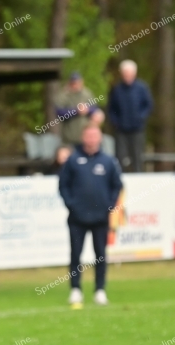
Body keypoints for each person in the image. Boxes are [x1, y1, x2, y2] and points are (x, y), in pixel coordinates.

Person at [58, 124, 122, 307]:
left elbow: (116, 185)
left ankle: (100, 290)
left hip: (100, 218)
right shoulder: (73, 160)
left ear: (100, 138)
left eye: (95, 135)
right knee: (75, 254)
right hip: (77, 218)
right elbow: (63, 185)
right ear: (83, 137)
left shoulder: (108, 161)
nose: (92, 139)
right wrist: (71, 204)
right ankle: (75, 289)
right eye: (89, 135)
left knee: (100, 254)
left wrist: (108, 205)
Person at [108, 60, 153, 173]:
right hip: (121, 129)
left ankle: (138, 177)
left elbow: (148, 105)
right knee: (120, 156)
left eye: (129, 73)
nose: (127, 76)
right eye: (125, 73)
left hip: (137, 129)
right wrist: (115, 121)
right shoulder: (117, 89)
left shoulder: (142, 88)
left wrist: (141, 117)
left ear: (134, 73)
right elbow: (112, 108)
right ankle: (120, 178)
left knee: (137, 156)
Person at [54, 72, 97, 146]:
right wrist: (76, 111)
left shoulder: (87, 94)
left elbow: (95, 109)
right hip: (69, 138)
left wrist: (87, 110)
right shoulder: (64, 95)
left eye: (78, 82)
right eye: (73, 83)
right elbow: (59, 112)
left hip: (84, 139)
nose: (76, 85)